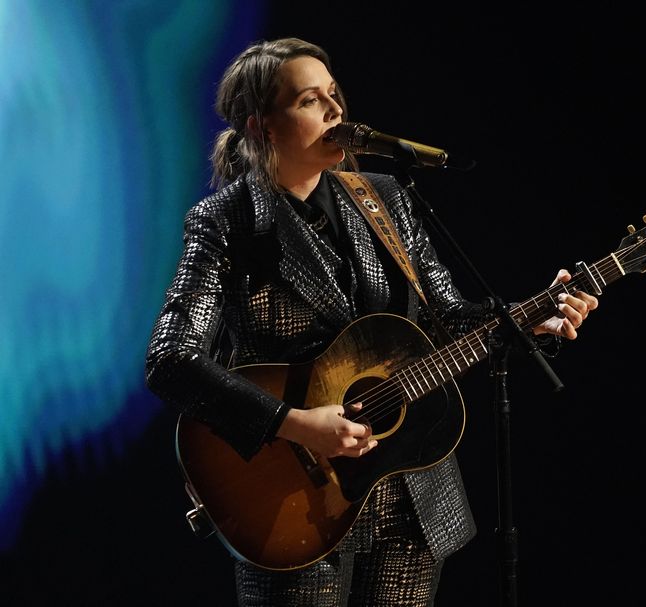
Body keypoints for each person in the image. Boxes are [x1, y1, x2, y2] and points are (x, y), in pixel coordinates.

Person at [145, 37, 598, 607]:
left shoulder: (383, 199)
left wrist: (530, 317)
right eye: (311, 101)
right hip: (292, 503)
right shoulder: (227, 222)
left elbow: (446, 319)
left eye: (335, 95)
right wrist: (295, 423)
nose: (336, 112)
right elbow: (171, 360)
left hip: (409, 490)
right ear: (262, 127)